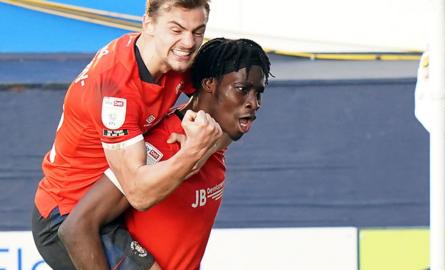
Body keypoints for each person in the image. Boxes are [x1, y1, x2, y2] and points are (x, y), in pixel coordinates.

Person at [32, 0, 222, 269]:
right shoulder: (115, 89)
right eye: (176, 29)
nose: (189, 42)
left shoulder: (172, 57)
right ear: (148, 24)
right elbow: (139, 194)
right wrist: (193, 150)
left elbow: (212, 98)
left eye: (198, 31)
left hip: (111, 202)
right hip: (68, 216)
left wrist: (190, 121)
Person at [58, 38, 272, 270]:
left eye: (258, 93)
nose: (254, 103)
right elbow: (76, 228)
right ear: (210, 84)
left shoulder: (212, 145)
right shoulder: (165, 142)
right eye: (242, 90)